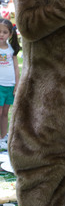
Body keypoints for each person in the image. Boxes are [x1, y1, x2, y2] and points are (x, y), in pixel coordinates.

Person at [0, 18, 20, 149]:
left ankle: (3, 137)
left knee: (5, 113)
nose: (1, 35)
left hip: (10, 86)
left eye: (5, 32)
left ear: (10, 34)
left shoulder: (12, 50)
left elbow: (16, 68)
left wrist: (17, 85)